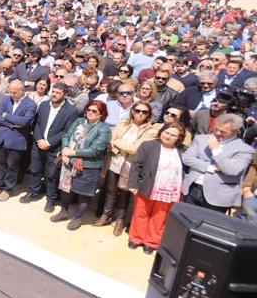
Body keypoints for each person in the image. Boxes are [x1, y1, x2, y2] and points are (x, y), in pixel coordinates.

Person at [97, 101, 159, 235]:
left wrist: (118, 143)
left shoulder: (151, 130)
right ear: (133, 111)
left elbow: (135, 149)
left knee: (124, 193)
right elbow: (110, 141)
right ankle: (105, 215)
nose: (140, 114)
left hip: (131, 165)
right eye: (138, 111)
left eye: (144, 112)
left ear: (149, 114)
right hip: (114, 161)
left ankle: (120, 220)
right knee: (110, 190)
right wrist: (115, 145)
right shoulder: (123, 124)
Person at [126, 123, 186, 253]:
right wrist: (132, 184)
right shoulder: (148, 145)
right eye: (166, 132)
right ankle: (136, 238)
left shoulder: (183, 150)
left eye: (173, 135)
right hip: (147, 185)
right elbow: (136, 165)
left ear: (179, 138)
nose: (168, 136)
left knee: (159, 217)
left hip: (169, 190)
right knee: (141, 213)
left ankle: (151, 242)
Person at [52, 100, 112, 229]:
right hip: (69, 162)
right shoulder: (79, 122)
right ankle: (63, 212)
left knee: (83, 194)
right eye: (88, 110)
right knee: (65, 189)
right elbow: (66, 135)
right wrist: (65, 150)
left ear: (101, 114)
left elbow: (95, 150)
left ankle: (77, 218)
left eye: (94, 111)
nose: (90, 112)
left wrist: (71, 152)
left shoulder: (104, 129)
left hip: (88, 166)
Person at [182, 113, 254, 213]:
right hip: (192, 189)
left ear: (236, 131)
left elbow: (232, 170)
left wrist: (216, 150)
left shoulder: (245, 149)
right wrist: (211, 168)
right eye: (216, 129)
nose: (218, 133)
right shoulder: (201, 138)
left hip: (219, 196)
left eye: (223, 132)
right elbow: (187, 158)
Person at [21, 82, 78, 206]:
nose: (54, 94)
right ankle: (33, 192)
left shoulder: (71, 111)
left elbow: (67, 131)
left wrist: (49, 142)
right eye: (53, 91)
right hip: (38, 145)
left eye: (58, 93)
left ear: (65, 95)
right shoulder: (44, 105)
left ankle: (50, 199)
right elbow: (36, 124)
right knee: (35, 170)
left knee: (51, 175)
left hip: (54, 148)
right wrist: (39, 140)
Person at [0, 80, 38, 202]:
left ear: (22, 91)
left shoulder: (31, 104)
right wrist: (11, 124)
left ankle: (8, 189)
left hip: (16, 141)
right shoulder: (6, 99)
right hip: (2, 137)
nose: (12, 94)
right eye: (10, 91)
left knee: (12, 166)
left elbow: (23, 122)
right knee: (0, 164)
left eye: (15, 92)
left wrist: (6, 116)